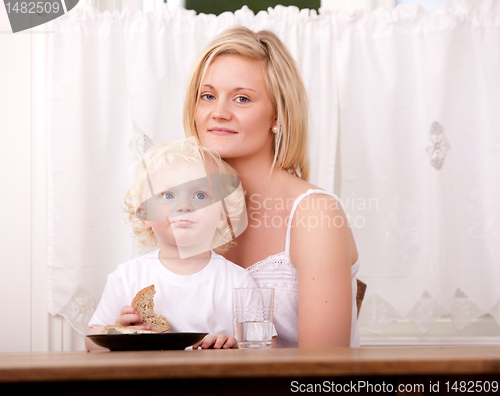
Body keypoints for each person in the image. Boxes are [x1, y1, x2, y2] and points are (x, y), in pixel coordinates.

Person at [183, 26, 360, 348]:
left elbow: (323, 368)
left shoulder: (314, 212)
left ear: (277, 115)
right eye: (207, 96)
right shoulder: (187, 208)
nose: (218, 113)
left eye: (242, 99)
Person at [85, 138, 261, 351]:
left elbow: (265, 348)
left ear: (222, 215)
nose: (184, 206)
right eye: (168, 195)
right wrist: (117, 333)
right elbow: (90, 340)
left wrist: (235, 346)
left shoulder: (238, 281)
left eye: (200, 194)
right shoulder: (126, 277)